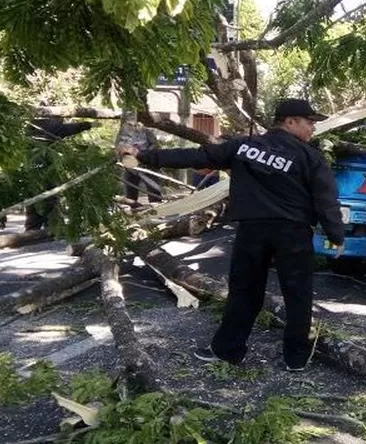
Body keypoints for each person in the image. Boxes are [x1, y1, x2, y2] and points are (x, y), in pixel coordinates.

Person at [116, 98, 345, 371]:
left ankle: (228, 350)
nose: (313, 129)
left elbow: (195, 156)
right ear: (290, 121)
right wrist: (336, 235)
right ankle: (295, 358)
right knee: (298, 295)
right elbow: (326, 200)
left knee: (244, 292)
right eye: (309, 122)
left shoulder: (243, 147)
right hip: (292, 234)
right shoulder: (311, 157)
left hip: (252, 232)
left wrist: (142, 155)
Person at [25, 118, 97, 231]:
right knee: (50, 196)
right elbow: (72, 128)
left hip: (31, 166)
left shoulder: (29, 126)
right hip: (48, 166)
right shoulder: (55, 126)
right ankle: (53, 226)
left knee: (33, 196)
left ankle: (33, 226)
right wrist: (89, 124)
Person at [115, 119, 163, 205]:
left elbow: (155, 145)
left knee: (153, 190)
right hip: (130, 165)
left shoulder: (146, 131)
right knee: (130, 191)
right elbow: (118, 147)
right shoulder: (123, 134)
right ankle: (133, 209)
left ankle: (157, 208)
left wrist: (143, 154)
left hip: (147, 165)